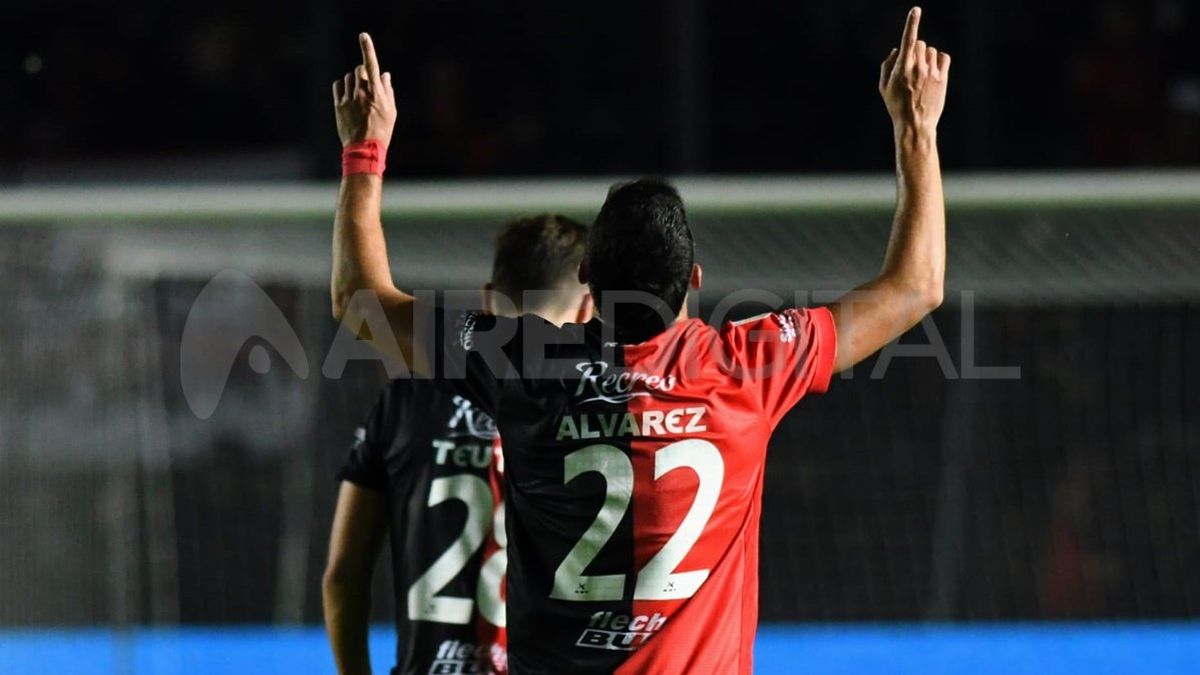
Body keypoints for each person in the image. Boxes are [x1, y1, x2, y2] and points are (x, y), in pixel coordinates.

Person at [329, 6, 947, 672]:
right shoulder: (749, 365)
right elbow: (916, 286)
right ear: (696, 280)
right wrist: (916, 129)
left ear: (590, 280)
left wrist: (366, 150)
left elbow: (358, 298)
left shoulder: (524, 362)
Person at [322, 215, 593, 675]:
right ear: (588, 309)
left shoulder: (408, 398)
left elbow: (343, 574)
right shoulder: (599, 406)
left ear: (488, 301)